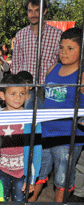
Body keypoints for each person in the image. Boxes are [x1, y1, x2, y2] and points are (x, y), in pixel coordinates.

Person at [30, 27, 84, 202]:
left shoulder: (81, 77)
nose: (64, 52)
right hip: (45, 133)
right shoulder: (51, 70)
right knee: (38, 171)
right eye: (61, 47)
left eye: (70, 48)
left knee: (62, 178)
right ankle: (30, 200)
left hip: (69, 137)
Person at [0, 74, 42, 202]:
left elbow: (36, 151)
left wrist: (31, 179)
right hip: (0, 170)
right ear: (2, 96)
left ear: (27, 95)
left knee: (19, 202)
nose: (18, 98)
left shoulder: (32, 120)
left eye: (22, 93)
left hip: (22, 173)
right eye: (13, 94)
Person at [11, 0, 62, 86]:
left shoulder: (58, 34)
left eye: (37, 10)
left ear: (44, 11)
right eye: (30, 11)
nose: (33, 14)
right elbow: (15, 65)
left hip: (48, 86)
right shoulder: (20, 34)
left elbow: (62, 62)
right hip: (25, 88)